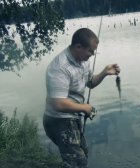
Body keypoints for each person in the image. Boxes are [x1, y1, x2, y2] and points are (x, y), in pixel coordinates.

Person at [43, 28, 120, 168]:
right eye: (91, 51)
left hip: (73, 116)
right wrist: (84, 107)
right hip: (58, 121)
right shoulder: (60, 67)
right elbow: (58, 104)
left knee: (83, 153)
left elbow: (90, 83)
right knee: (77, 162)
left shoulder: (84, 61)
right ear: (78, 47)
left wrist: (104, 72)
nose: (93, 54)